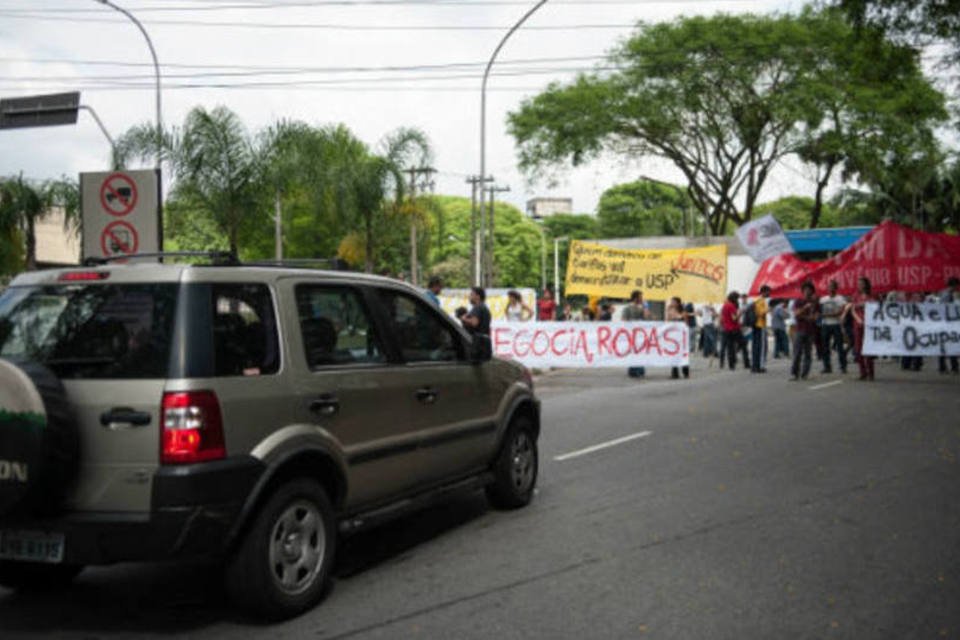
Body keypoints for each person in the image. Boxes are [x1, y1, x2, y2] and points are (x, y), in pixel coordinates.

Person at [843, 276, 876, 381]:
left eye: (862, 283)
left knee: (868, 349)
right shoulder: (855, 295)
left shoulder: (872, 295)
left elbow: (875, 306)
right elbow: (852, 309)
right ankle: (863, 372)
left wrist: (864, 304)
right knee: (858, 349)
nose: (860, 286)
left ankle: (871, 372)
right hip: (858, 325)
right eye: (858, 284)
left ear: (866, 284)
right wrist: (857, 318)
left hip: (869, 325)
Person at [790, 281, 820, 380]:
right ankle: (795, 373)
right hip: (799, 330)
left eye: (809, 290)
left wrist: (814, 317)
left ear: (812, 291)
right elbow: (796, 314)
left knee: (808, 353)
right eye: (806, 290)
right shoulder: (798, 301)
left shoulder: (815, 302)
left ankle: (805, 373)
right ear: (802, 291)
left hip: (810, 330)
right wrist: (805, 308)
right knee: (797, 353)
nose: (807, 291)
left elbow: (817, 315)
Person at [819, 280, 847, 374]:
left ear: (836, 288)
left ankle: (843, 366)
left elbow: (841, 311)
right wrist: (827, 315)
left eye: (833, 286)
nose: (831, 288)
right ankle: (827, 367)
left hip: (836, 324)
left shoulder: (840, 299)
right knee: (825, 347)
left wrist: (828, 314)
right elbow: (820, 312)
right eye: (829, 286)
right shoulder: (823, 299)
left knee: (840, 346)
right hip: (825, 325)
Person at [622, 290, 649, 378]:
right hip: (631, 333)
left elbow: (646, 319)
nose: (642, 299)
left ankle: (640, 369)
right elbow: (624, 320)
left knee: (640, 351)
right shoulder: (628, 308)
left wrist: (645, 311)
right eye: (640, 297)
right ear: (635, 298)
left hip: (640, 334)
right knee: (633, 352)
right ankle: (633, 370)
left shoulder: (642, 308)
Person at [460, 287, 492, 360]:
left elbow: (474, 323)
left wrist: (463, 319)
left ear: (478, 296)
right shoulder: (483, 307)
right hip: (482, 344)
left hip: (477, 344)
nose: (469, 297)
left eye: (471, 294)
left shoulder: (478, 307)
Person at [666, 297, 690, 379]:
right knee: (674, 354)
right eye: (671, 302)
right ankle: (674, 373)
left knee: (683, 354)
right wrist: (668, 312)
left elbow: (686, 324)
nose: (672, 303)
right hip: (673, 336)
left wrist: (678, 317)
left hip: (681, 336)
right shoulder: (670, 311)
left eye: (673, 302)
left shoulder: (683, 312)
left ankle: (685, 372)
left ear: (678, 303)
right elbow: (668, 323)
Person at [940, 277, 959, 374]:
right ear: (954, 285)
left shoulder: (943, 293)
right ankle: (954, 367)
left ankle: (943, 367)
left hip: (943, 322)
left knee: (944, 345)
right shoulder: (950, 294)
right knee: (952, 344)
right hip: (949, 323)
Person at [750, 285, 770, 373]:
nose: (769, 293)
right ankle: (760, 366)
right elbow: (761, 313)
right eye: (768, 292)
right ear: (764, 292)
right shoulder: (761, 301)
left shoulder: (755, 300)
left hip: (755, 325)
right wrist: (767, 309)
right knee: (762, 347)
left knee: (755, 346)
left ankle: (754, 365)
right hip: (760, 325)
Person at [720, 291, 741, 370]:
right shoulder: (731, 306)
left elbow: (721, 317)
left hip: (725, 328)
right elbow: (734, 318)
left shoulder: (724, 306)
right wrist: (740, 313)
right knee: (734, 346)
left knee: (726, 346)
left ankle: (723, 363)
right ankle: (732, 363)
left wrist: (721, 324)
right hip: (732, 329)